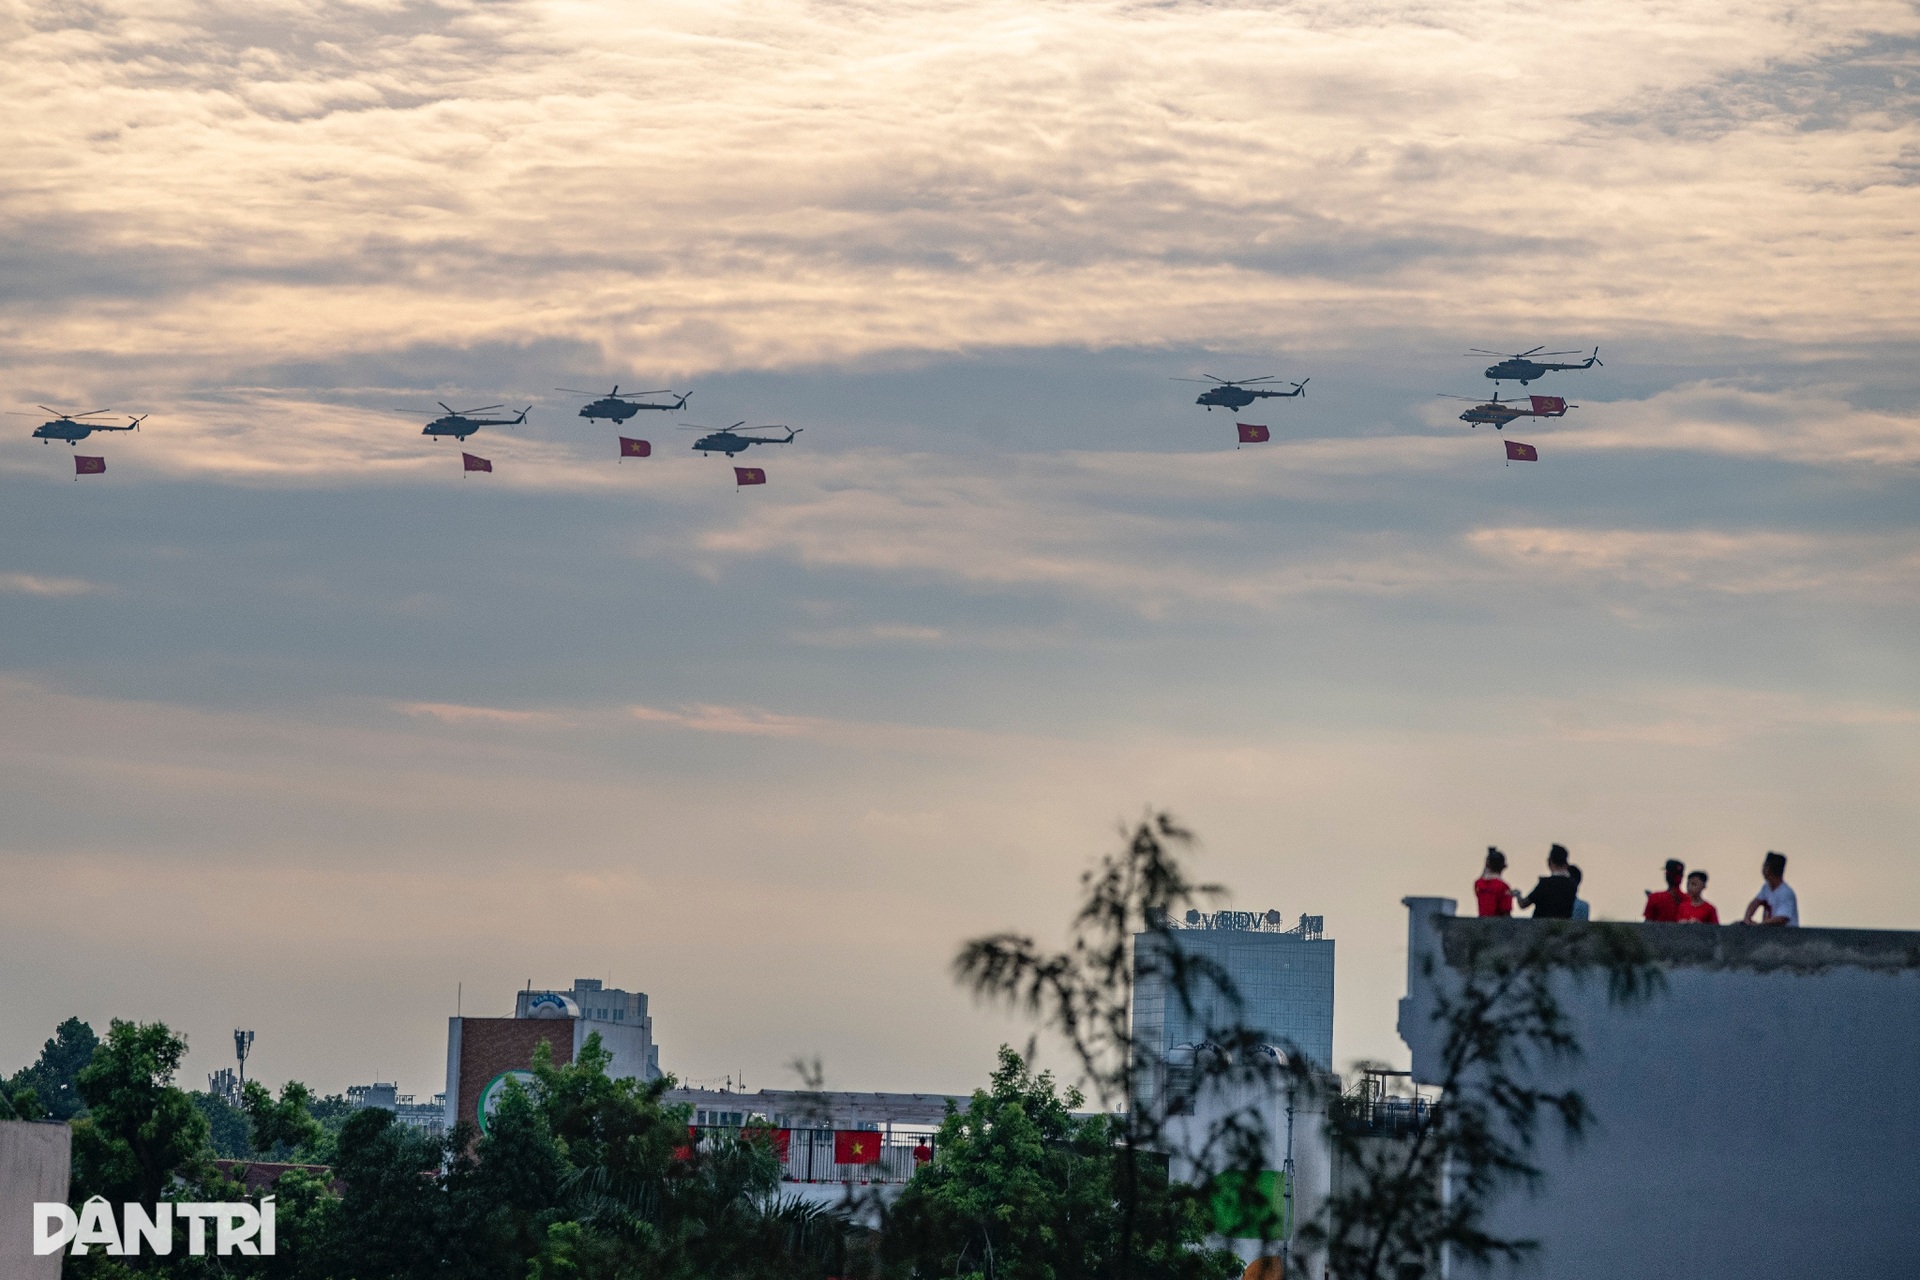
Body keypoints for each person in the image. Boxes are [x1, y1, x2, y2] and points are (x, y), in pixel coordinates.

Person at [1519, 844, 1577, 919]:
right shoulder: (1572, 884)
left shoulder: (1545, 883)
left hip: (1541, 926)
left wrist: (1517, 895)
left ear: (1550, 861)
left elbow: (1523, 904)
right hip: (1562, 927)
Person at [1741, 851, 1798, 926]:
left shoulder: (1785, 892)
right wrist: (1747, 920)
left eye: (1765, 866)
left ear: (1769, 869)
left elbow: (1782, 918)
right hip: (1770, 934)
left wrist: (1759, 926)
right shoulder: (1766, 887)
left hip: (1786, 935)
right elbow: (1755, 903)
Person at [1474, 847, 1517, 917]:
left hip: (1482, 924)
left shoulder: (1478, 884)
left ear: (1487, 865)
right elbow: (1506, 913)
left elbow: (1483, 876)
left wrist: (1488, 861)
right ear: (1503, 867)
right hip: (1498, 925)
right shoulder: (1504, 887)